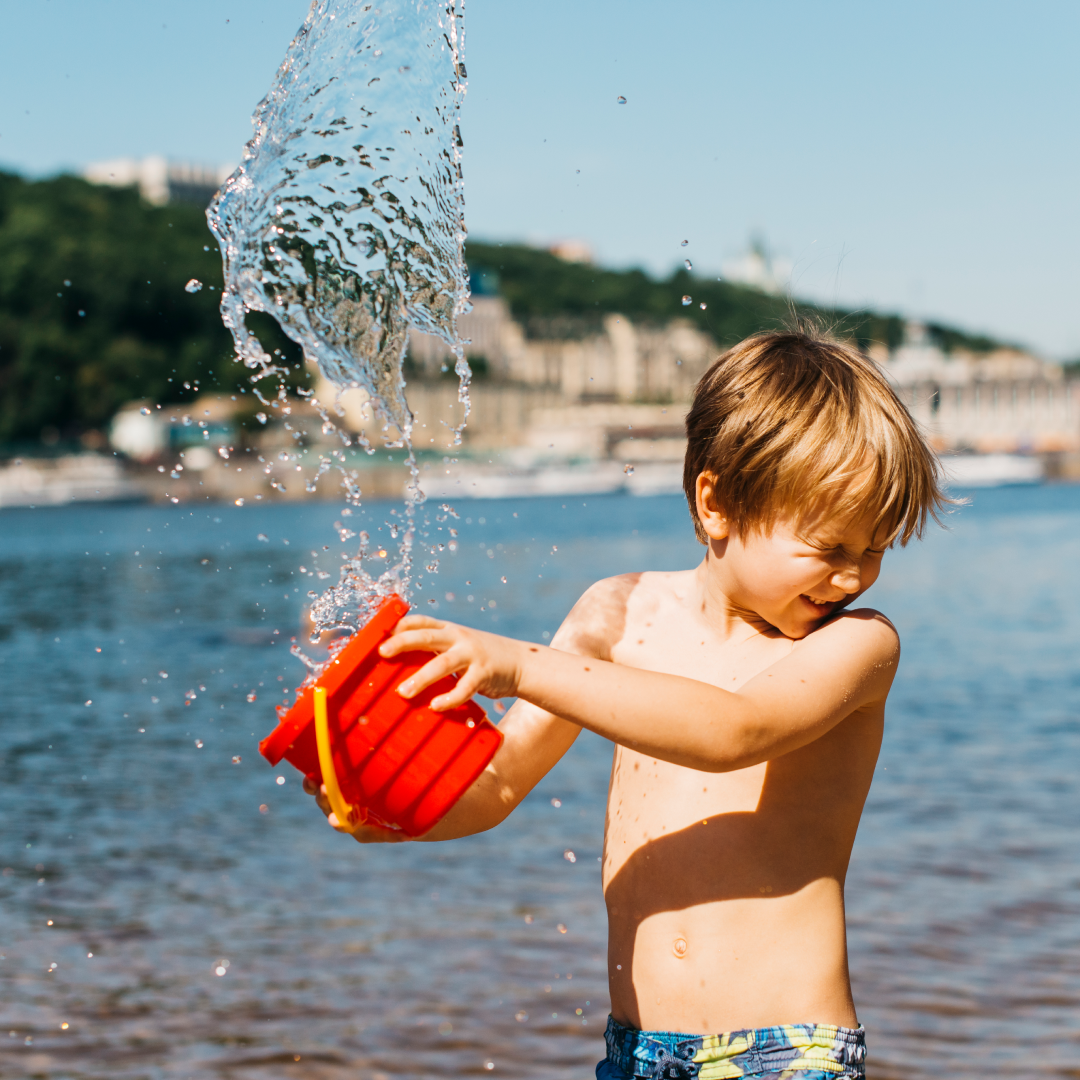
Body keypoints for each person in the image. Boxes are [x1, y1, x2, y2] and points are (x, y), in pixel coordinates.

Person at [305, 328, 948, 1080]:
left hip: (787, 1052)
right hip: (637, 1053)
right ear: (718, 504)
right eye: (829, 547)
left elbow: (733, 731)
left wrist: (516, 664)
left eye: (874, 549)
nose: (852, 578)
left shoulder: (855, 647)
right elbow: (501, 782)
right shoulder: (618, 613)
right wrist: (391, 802)